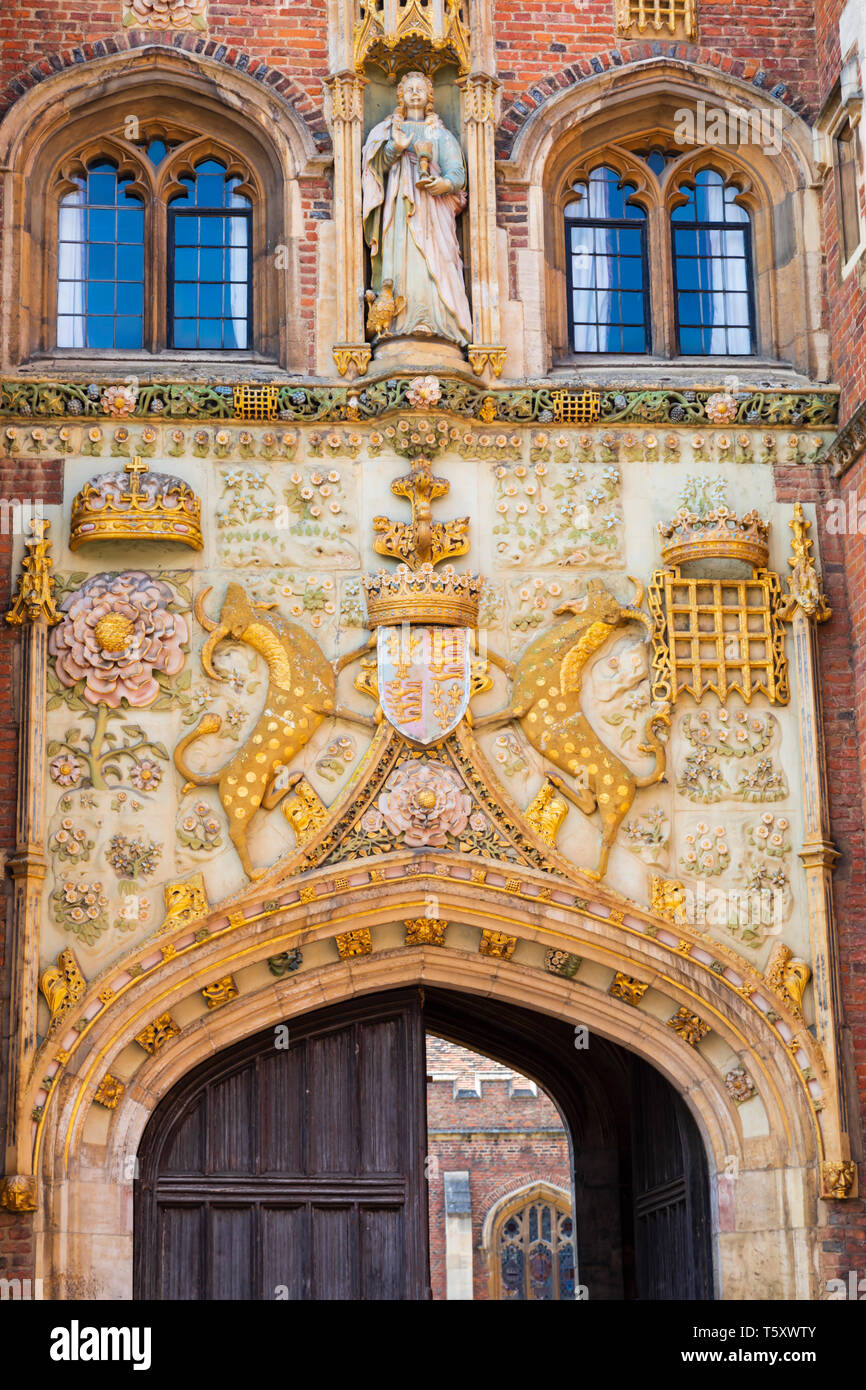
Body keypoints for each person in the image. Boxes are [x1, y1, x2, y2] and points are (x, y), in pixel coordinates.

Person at [362, 70, 472, 347]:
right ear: (400, 95)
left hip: (433, 208)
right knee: (403, 255)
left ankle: (439, 321)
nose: (414, 92)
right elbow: (375, 169)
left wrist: (443, 183)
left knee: (437, 258)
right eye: (408, 88)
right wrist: (393, 150)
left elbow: (457, 172)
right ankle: (400, 323)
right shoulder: (389, 129)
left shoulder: (441, 135)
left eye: (419, 88)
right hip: (399, 205)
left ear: (429, 96)